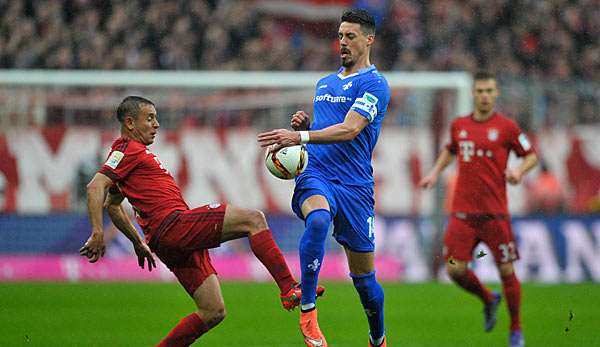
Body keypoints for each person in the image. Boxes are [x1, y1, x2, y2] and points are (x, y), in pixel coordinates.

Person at [79, 96, 318, 346]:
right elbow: (95, 187)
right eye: (149, 118)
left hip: (166, 242)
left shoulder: (133, 157)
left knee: (213, 311)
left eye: (156, 118)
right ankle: (288, 287)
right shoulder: (126, 150)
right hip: (173, 225)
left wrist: (138, 242)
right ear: (130, 122)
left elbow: (113, 205)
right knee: (254, 219)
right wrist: (97, 231)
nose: (156, 124)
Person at [258, 9, 390, 347]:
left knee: (365, 282)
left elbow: (350, 129)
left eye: (350, 36)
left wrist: (299, 136)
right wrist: (308, 128)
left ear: (368, 39)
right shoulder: (324, 83)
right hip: (317, 174)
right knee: (317, 219)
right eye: (340, 36)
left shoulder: (375, 84)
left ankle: (378, 338)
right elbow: (327, 130)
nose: (342, 42)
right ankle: (308, 311)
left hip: (356, 187)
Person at [419, 71, 538, 347]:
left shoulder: (507, 127)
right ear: (473, 94)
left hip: (495, 214)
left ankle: (516, 330)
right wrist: (435, 172)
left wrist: (519, 171)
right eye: (480, 91)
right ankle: (488, 298)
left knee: (506, 270)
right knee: (452, 268)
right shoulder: (459, 126)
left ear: (496, 94)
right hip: (463, 214)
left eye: (489, 91)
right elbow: (450, 149)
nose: (484, 96)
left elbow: (531, 156)